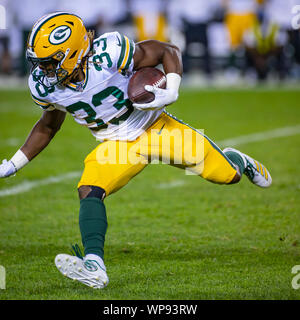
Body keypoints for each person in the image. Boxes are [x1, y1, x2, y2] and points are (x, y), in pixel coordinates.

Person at [0, 12, 272, 289]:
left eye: (49, 62)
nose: (43, 69)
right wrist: (14, 163)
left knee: (226, 176)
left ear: (72, 53)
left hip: (157, 129)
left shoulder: (110, 51)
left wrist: (173, 89)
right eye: (40, 62)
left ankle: (237, 160)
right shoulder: (44, 87)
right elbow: (48, 126)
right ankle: (94, 264)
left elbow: (166, 50)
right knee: (89, 188)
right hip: (116, 144)